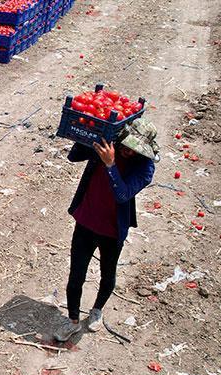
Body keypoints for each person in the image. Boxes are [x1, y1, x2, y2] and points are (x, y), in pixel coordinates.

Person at [54, 119, 159, 342]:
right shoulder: (108, 144)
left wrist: (110, 165)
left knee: (107, 273)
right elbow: (73, 156)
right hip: (86, 219)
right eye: (127, 145)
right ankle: (72, 320)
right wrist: (87, 137)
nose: (128, 151)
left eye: (135, 149)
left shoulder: (144, 168)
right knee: (76, 274)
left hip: (112, 229)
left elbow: (122, 195)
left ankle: (97, 310)